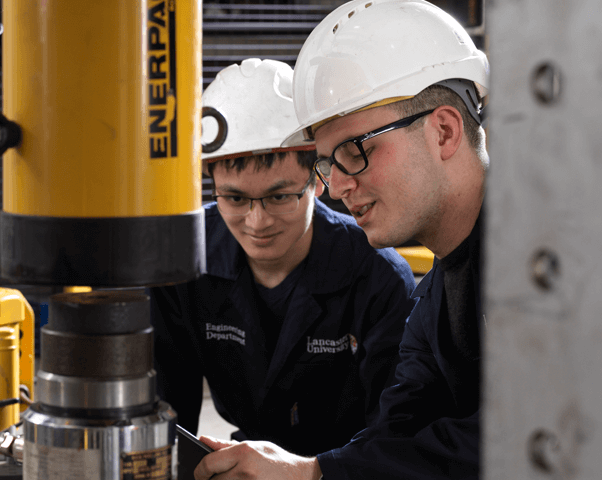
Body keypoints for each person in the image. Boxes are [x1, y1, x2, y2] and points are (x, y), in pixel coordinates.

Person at [193, 1, 489, 479]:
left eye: (356, 150)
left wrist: (313, 474)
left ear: (444, 131)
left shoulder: (559, 256)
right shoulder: (437, 296)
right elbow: (399, 436)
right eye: (328, 164)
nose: (336, 187)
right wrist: (310, 469)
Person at [149, 58, 416, 459]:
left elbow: (397, 439)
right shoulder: (182, 262)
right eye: (235, 198)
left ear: (318, 180)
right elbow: (166, 419)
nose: (257, 222)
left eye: (279, 197)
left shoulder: (378, 277)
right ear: (211, 184)